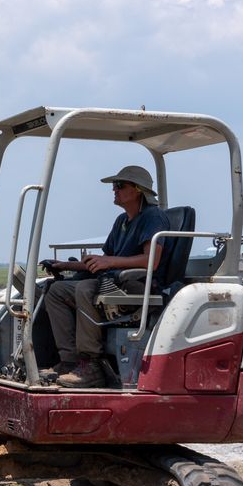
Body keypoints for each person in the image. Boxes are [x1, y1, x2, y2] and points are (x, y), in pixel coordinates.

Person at [37, 165, 171, 388]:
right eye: (114, 186)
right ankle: (70, 360)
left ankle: (91, 366)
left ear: (138, 190)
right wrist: (66, 265)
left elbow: (151, 261)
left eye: (120, 186)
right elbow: (105, 259)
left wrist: (110, 262)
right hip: (113, 281)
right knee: (56, 291)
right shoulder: (122, 221)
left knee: (85, 289)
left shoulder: (153, 218)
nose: (114, 190)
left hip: (137, 284)